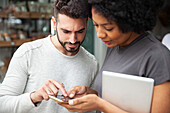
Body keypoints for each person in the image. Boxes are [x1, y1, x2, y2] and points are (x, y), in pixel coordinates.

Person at [59, 0, 170, 113]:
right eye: (96, 25)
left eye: (108, 28)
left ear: (128, 21)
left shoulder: (158, 57)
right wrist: (89, 94)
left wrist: (99, 104)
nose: (99, 34)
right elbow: (118, 100)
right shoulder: (114, 46)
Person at [0, 0, 98, 113]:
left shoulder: (92, 63)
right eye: (66, 31)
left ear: (87, 23)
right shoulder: (28, 53)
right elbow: (2, 104)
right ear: (54, 24)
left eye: (80, 31)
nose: (73, 40)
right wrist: (34, 97)